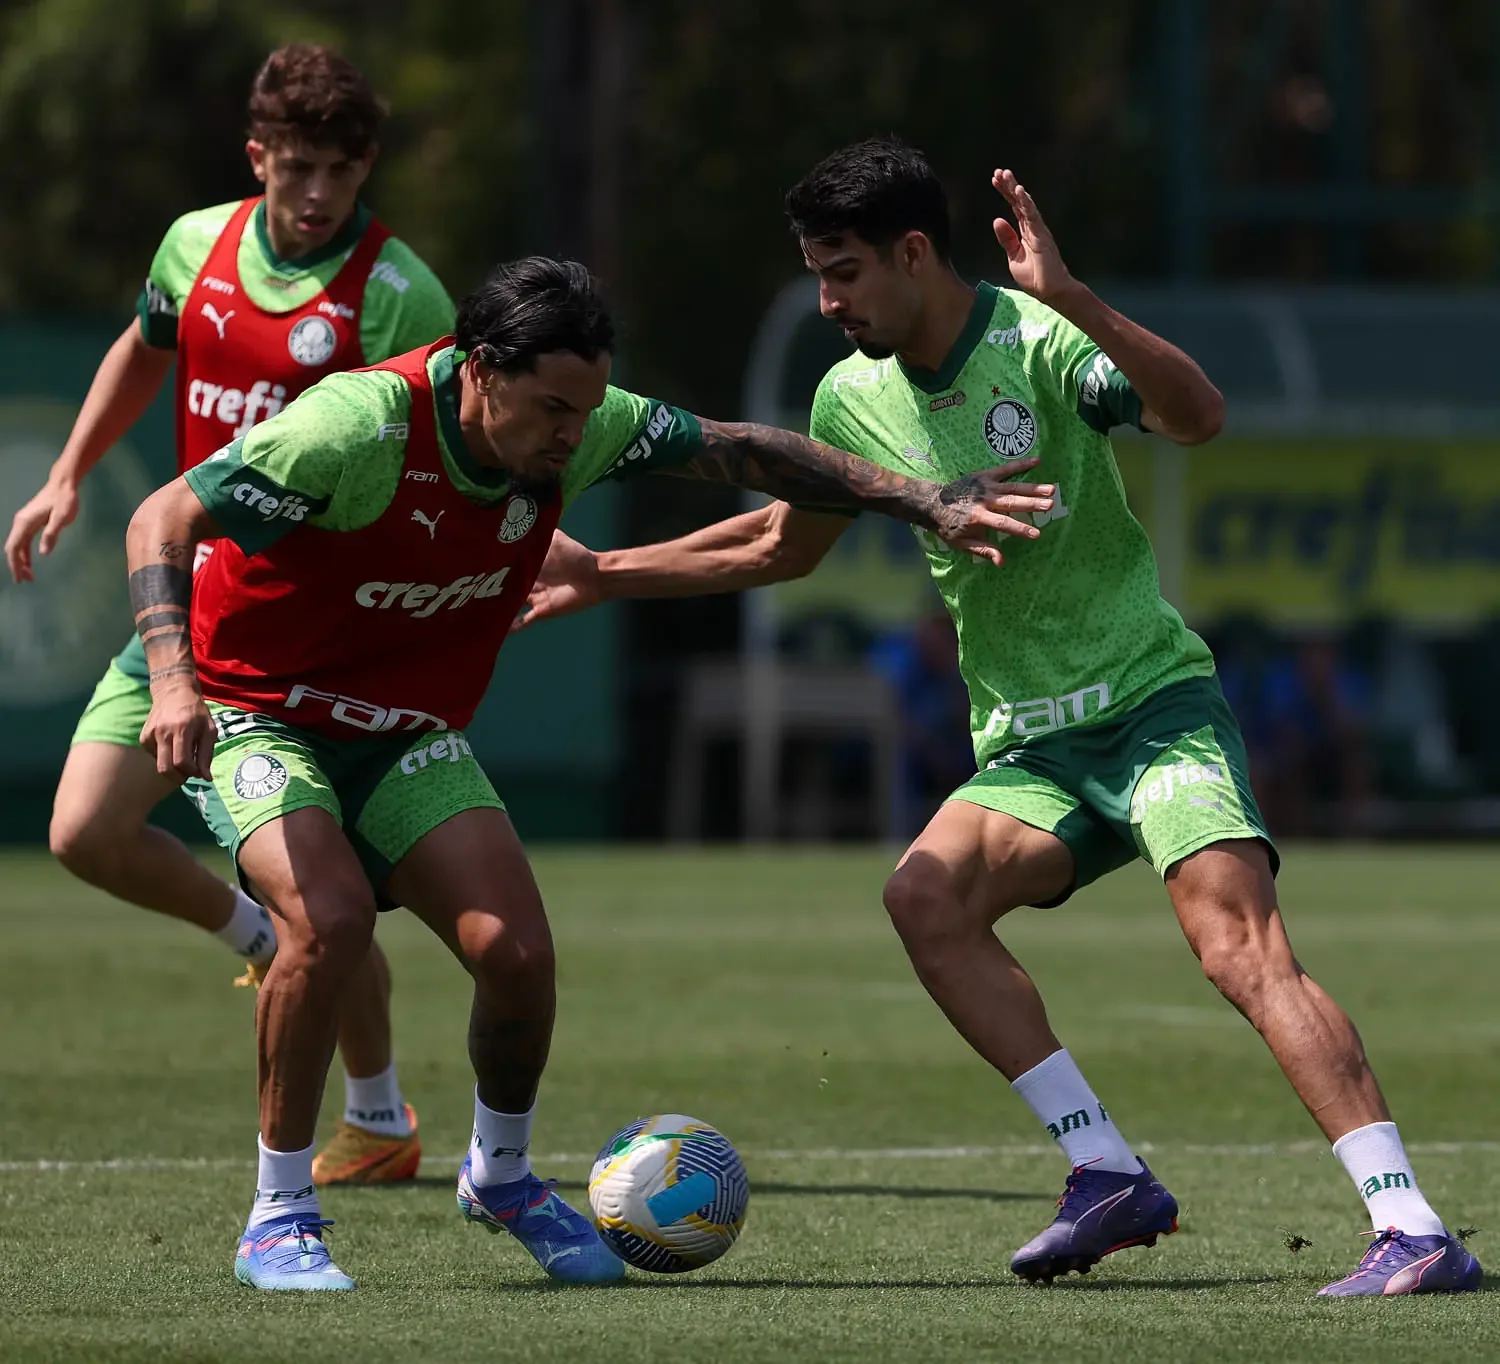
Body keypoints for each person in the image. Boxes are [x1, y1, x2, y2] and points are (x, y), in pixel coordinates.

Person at [517, 138, 1481, 1298]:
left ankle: (1411, 1225)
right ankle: (1105, 1169)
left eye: (845, 272)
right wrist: (605, 571)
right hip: (1029, 746)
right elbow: (784, 541)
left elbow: (1198, 416)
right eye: (818, 274)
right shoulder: (850, 396)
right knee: (926, 895)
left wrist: (1072, 298)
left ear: (915, 253)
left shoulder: (1039, 342)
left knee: (1238, 949)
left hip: (1151, 705)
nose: (828, 302)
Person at [123, 255, 1054, 1292]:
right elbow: (160, 519)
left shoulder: (588, 420)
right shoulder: (357, 427)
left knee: (518, 955)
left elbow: (747, 451)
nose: (572, 433)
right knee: (329, 921)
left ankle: (504, 1175)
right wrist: (172, 683)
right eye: (551, 408)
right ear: (480, 372)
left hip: (404, 733)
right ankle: (280, 1212)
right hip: (263, 714)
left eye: (586, 408)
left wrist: (928, 500)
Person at [4, 45, 452, 1189]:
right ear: (258, 155)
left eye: (341, 171)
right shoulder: (195, 244)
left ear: (367, 170)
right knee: (84, 833)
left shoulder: (401, 293)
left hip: (311, 634)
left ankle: (380, 1114)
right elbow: (146, 351)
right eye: (296, 166)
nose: (316, 193)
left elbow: (447, 452)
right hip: (188, 600)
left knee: (325, 895)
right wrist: (67, 472)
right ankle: (252, 941)